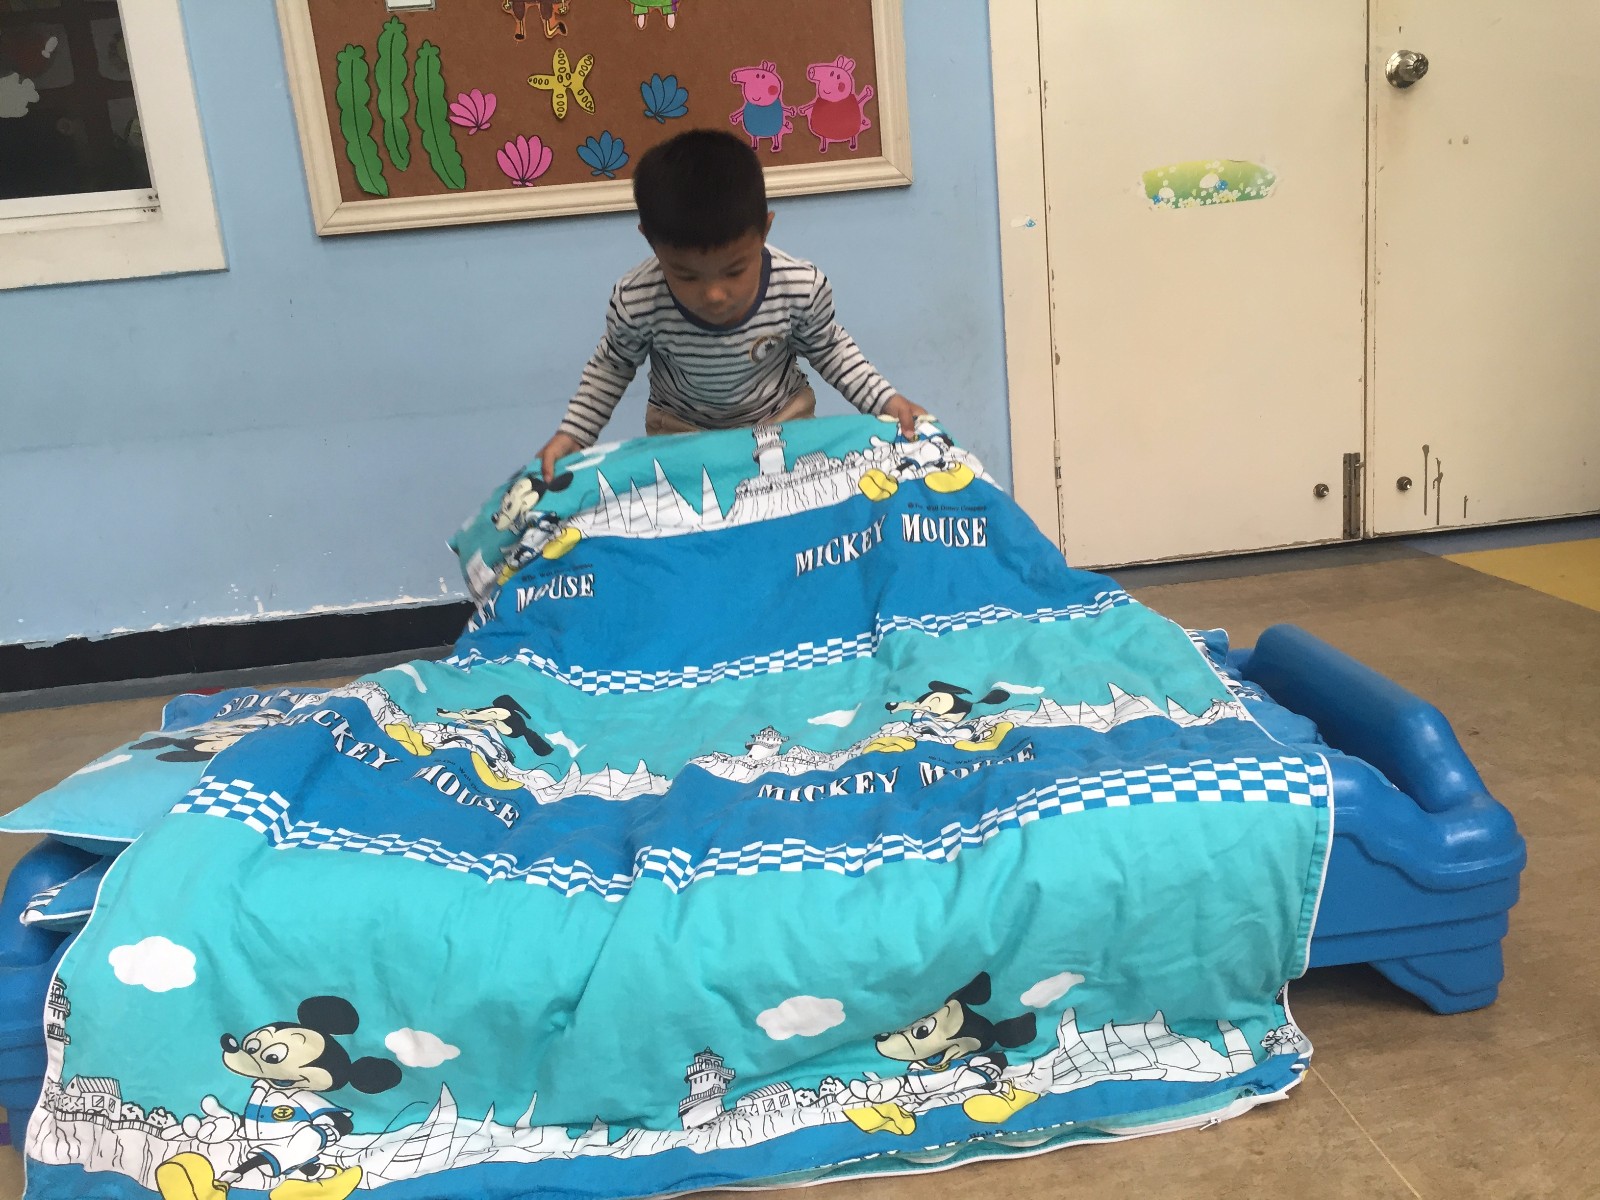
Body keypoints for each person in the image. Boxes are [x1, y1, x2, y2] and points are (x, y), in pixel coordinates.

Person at [537, 128, 924, 479]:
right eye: (686, 275)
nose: (714, 294)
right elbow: (613, 365)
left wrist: (885, 400)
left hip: (783, 420)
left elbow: (831, 350)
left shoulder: (799, 287)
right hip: (680, 431)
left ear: (765, 230)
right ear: (650, 241)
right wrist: (575, 433)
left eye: (735, 270)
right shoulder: (637, 301)